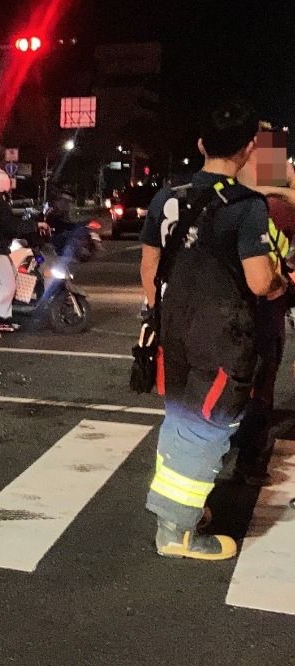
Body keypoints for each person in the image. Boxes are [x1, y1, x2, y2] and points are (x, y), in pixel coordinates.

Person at [138, 102, 285, 560]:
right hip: (221, 334)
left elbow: (149, 269)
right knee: (208, 429)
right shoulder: (247, 206)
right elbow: (261, 281)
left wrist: (161, 315)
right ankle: (178, 533)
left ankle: (174, 510)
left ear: (201, 145)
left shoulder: (167, 194)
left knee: (181, 418)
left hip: (174, 329)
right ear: (248, 150)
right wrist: (283, 280)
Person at [226, 127, 295, 486]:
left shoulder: (228, 196)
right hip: (264, 301)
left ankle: (233, 450)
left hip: (233, 304)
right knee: (259, 382)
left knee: (233, 379)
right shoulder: (271, 204)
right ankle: (248, 460)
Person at [0, 168, 50, 339]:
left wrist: (29, 222)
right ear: (2, 183)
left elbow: (8, 222)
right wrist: (35, 226)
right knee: (8, 285)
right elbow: (11, 226)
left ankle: (6, 318)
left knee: (14, 278)